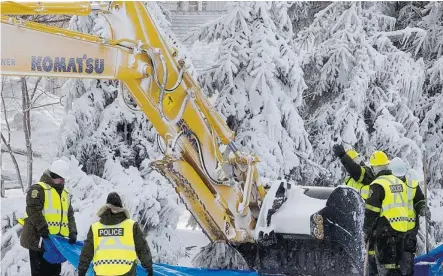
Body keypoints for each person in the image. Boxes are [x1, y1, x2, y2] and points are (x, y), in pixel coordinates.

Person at [20, 159, 77, 276]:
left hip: (56, 241)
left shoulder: (65, 193)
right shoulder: (38, 189)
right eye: (60, 178)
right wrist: (42, 227)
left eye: (63, 179)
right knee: (41, 272)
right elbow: (32, 209)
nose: (62, 181)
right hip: (38, 240)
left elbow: (69, 215)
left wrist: (72, 232)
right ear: (53, 176)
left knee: (55, 272)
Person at [78, 192, 154, 276]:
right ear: (121, 207)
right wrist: (148, 266)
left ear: (106, 207)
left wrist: (82, 271)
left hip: (102, 271)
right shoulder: (131, 226)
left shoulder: (95, 228)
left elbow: (87, 251)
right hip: (126, 270)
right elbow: (142, 247)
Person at [333, 144, 378, 276]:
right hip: (352, 220)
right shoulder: (348, 180)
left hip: (366, 218)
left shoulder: (367, 172)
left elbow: (356, 171)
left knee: (369, 256)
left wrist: (343, 157)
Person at [364, 151, 410, 276]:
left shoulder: (378, 184)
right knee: (396, 267)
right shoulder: (399, 182)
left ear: (375, 168)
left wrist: (366, 232)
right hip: (401, 230)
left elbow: (371, 212)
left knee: (387, 268)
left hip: (386, 230)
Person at [390, 157, 427, 276]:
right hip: (391, 232)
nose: (399, 179)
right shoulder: (386, 185)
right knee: (391, 264)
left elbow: (419, 200)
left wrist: (422, 208)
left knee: (406, 264)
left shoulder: (412, 185)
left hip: (409, 232)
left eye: (401, 176)